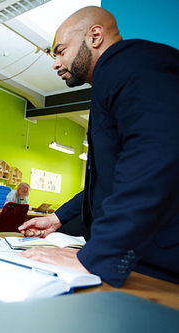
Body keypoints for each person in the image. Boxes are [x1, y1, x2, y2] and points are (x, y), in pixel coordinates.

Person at [18, 6, 179, 287]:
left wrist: (96, 257)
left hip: (161, 265)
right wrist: (57, 218)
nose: (56, 63)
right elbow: (109, 179)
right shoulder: (112, 78)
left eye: (61, 50)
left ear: (94, 36)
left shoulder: (128, 62)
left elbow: (156, 155)